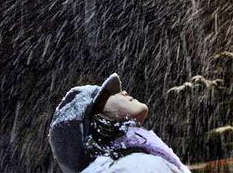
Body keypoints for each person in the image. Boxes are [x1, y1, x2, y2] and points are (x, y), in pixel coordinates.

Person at [48, 73, 191, 172]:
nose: (124, 92)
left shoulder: (132, 163)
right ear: (96, 119)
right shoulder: (136, 166)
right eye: (110, 94)